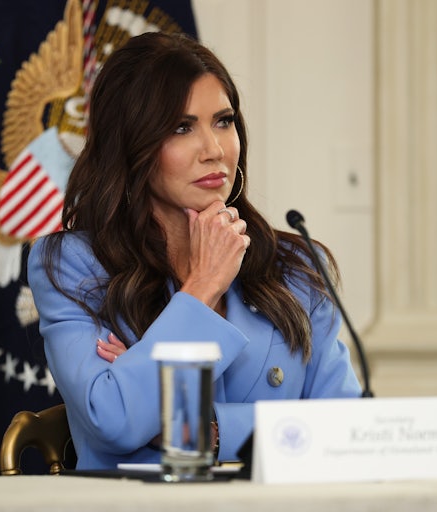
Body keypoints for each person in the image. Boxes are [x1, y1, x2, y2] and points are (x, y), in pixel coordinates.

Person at [27, 31, 363, 471]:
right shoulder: (72, 264)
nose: (214, 150)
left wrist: (202, 428)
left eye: (223, 121)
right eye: (181, 128)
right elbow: (112, 420)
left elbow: (349, 429)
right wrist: (203, 286)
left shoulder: (295, 268)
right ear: (131, 146)